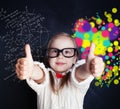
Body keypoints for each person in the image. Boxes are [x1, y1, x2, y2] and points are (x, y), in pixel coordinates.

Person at [15, 32, 104, 109]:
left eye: (67, 52)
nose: (60, 56)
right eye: (54, 51)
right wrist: (31, 70)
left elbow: (80, 74)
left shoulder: (76, 77)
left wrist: (87, 69)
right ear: (48, 56)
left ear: (75, 58)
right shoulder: (45, 77)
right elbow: (40, 76)